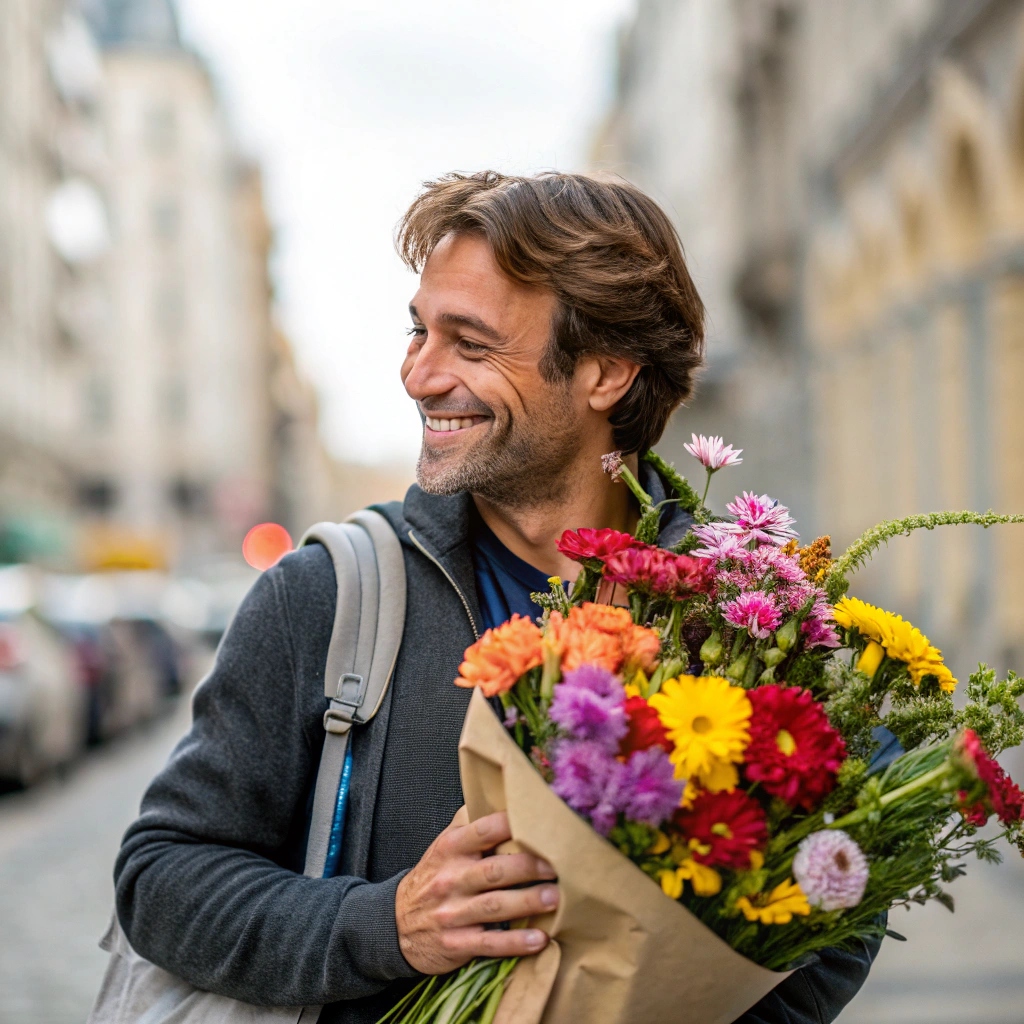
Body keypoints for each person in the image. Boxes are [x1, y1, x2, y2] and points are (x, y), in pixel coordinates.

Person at [114, 171, 879, 1023]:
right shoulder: (324, 596)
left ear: (606, 372)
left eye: (470, 344)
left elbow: (844, 903)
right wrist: (384, 926)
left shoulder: (749, 616)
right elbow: (162, 877)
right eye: (419, 330)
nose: (418, 375)